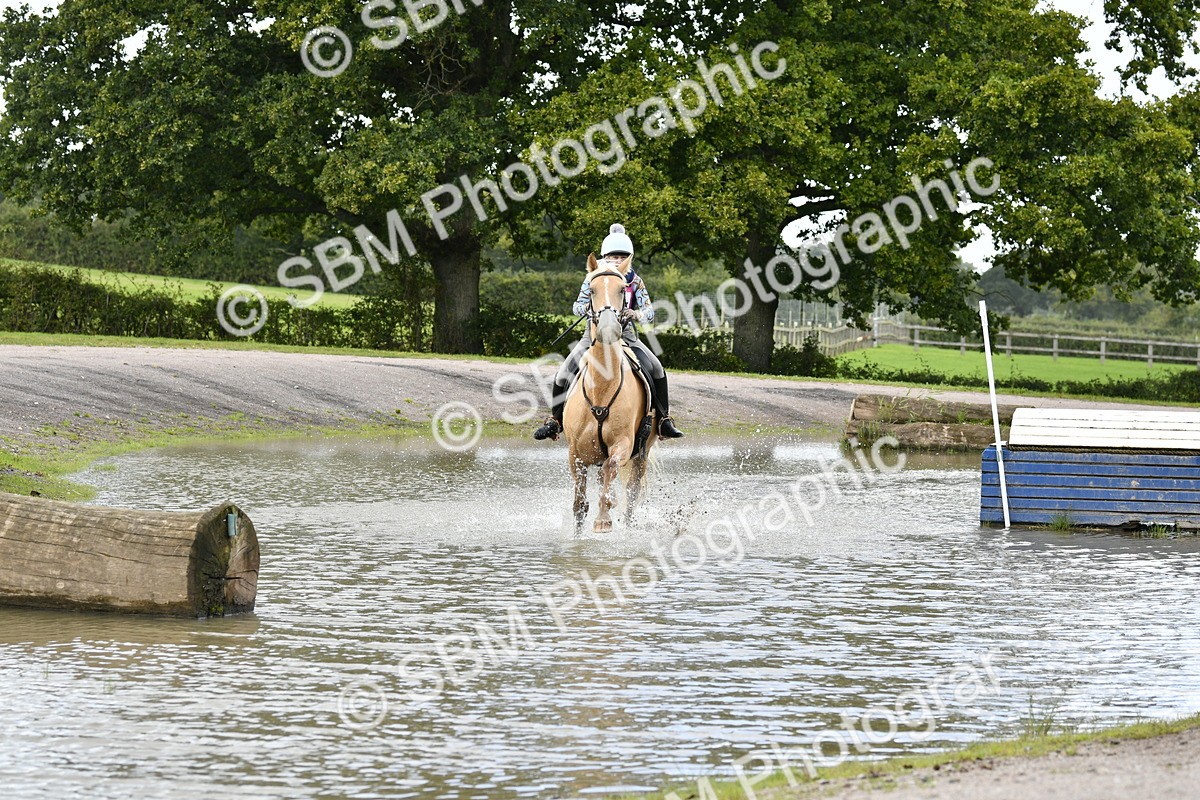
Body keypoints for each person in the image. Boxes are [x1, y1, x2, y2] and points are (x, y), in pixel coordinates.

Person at [533, 224, 685, 441]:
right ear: (605, 256)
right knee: (563, 372)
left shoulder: (634, 280)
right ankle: (555, 421)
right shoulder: (592, 278)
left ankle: (663, 421)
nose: (617, 260)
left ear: (629, 259)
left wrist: (636, 314)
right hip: (593, 337)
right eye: (614, 256)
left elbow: (649, 311)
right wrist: (586, 308)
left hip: (626, 336)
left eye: (622, 257)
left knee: (658, 369)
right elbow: (576, 307)